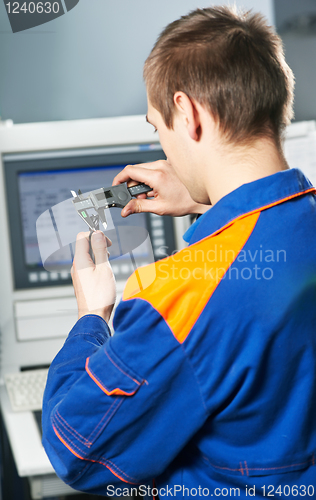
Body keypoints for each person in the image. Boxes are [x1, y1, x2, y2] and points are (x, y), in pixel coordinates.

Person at [42, 6, 316, 498]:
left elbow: (75, 449)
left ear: (188, 115)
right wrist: (206, 197)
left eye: (158, 127)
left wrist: (92, 316)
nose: (163, 147)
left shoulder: (180, 293)